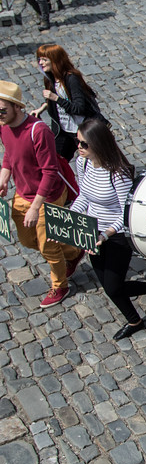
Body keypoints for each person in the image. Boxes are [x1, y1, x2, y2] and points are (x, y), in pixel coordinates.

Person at [70, 118, 146, 340]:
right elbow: (84, 195)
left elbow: (126, 214)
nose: (79, 148)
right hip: (93, 233)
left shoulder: (118, 173)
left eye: (84, 144)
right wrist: (72, 217)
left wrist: (106, 234)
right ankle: (141, 310)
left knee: (113, 287)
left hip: (115, 237)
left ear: (98, 143)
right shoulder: (82, 163)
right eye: (78, 142)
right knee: (109, 285)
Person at [0, 80, 83, 308]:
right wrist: (4, 177)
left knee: (47, 245)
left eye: (2, 110)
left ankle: (61, 285)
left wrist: (37, 207)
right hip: (23, 193)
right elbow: (9, 153)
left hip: (48, 197)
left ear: (18, 106)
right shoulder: (3, 126)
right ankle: (73, 251)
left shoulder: (39, 131)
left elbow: (50, 171)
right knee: (28, 240)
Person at [30, 44, 105, 161]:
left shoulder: (71, 78)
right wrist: (43, 107)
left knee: (93, 160)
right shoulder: (50, 79)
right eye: (39, 59)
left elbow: (79, 108)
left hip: (80, 130)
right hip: (63, 130)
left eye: (45, 60)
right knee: (56, 161)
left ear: (55, 60)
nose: (41, 63)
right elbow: (55, 101)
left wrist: (56, 98)